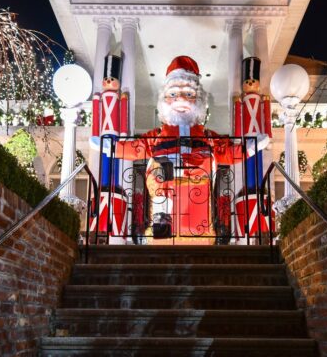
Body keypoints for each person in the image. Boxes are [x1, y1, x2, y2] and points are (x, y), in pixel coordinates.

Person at [116, 55, 238, 241]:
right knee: (158, 167)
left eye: (188, 94)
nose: (180, 98)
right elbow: (137, 147)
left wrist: (249, 148)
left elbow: (226, 151)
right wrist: (113, 147)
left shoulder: (206, 137)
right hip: (166, 183)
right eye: (173, 94)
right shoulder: (157, 136)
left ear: (198, 99)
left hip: (197, 190)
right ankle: (161, 216)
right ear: (164, 99)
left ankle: (195, 232)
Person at [89, 54, 129, 237]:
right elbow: (96, 116)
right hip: (104, 137)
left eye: (111, 79)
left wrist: (123, 135)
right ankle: (105, 186)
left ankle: (113, 186)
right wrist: (94, 134)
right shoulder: (101, 98)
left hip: (115, 138)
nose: (108, 81)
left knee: (116, 163)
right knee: (105, 163)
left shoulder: (120, 99)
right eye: (106, 79)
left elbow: (122, 115)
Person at [232, 56, 272, 237]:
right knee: (248, 165)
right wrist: (238, 139)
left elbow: (266, 116)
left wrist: (268, 135)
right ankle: (250, 187)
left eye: (252, 81)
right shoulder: (243, 100)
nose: (250, 84)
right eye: (247, 82)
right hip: (248, 139)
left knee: (259, 166)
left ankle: (258, 187)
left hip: (259, 137)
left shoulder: (261, 99)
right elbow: (239, 118)